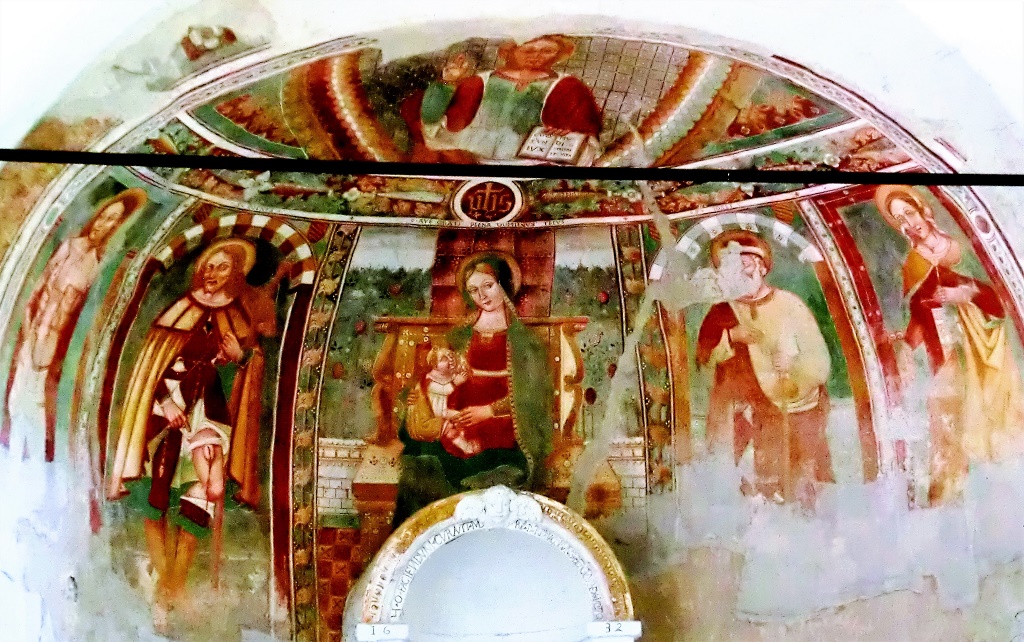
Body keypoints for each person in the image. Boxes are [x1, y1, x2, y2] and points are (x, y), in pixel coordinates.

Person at [105, 238, 280, 631]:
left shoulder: (238, 317)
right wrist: (166, 402)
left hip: (209, 420)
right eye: (209, 265)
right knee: (156, 497)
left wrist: (241, 359)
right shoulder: (178, 311)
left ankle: (172, 587)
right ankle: (168, 591)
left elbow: (248, 371)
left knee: (198, 502)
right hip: (164, 417)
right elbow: (151, 367)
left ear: (236, 273)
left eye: (223, 267)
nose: (213, 273)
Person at [876, 185, 1024, 504]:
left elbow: (1003, 297)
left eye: (910, 213)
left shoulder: (961, 248)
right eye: (900, 220)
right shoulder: (913, 263)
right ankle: (947, 488)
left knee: (980, 411)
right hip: (945, 351)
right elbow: (919, 314)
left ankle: (992, 491)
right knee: (941, 407)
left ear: (924, 210)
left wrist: (966, 293)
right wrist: (906, 347)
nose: (909, 223)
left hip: (983, 344)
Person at [398, 252, 554, 520]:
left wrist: (489, 411)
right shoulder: (460, 335)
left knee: (479, 465)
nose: (482, 295)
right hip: (458, 416)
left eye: (488, 285)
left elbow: (533, 397)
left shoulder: (525, 343)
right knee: (419, 459)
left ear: (504, 285)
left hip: (506, 423)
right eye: (473, 290)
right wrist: (418, 396)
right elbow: (434, 376)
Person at [1, 187, 147, 462]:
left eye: (112, 221)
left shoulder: (96, 265)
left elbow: (86, 313)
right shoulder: (69, 247)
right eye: (103, 216)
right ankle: (12, 454)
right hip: (34, 331)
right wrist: (28, 330)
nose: (103, 224)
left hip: (54, 343)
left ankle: (33, 460)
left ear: (116, 228)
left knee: (38, 402)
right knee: (17, 397)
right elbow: (37, 290)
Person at [696, 230, 834, 502]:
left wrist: (794, 365)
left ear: (761, 267)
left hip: (793, 405)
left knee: (799, 482)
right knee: (748, 487)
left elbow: (819, 359)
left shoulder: (790, 305)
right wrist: (731, 337)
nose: (740, 274)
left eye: (745, 266)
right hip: (743, 411)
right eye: (732, 269)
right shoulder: (722, 311)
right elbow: (703, 357)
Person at [409, 35, 603, 164]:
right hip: (472, 160)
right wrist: (446, 84)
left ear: (558, 54)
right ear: (510, 51)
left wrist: (569, 134)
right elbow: (433, 120)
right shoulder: (478, 82)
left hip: (535, 165)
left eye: (547, 51)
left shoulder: (570, 86)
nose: (537, 56)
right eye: (528, 50)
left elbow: (586, 136)